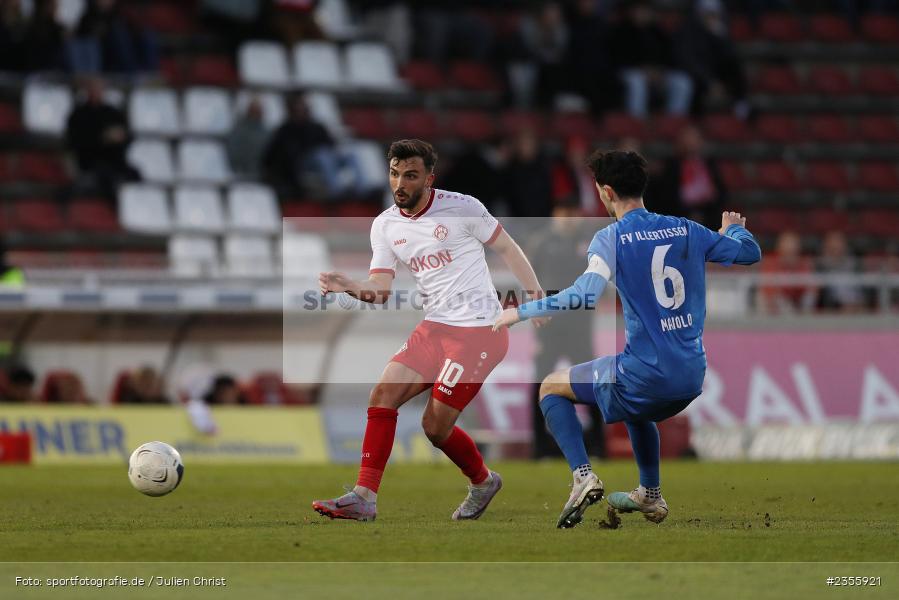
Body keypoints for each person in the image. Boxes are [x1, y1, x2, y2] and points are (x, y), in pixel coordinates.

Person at [493, 150, 761, 528]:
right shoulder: (686, 228)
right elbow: (750, 253)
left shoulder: (611, 237)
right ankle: (649, 495)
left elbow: (585, 293)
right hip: (691, 376)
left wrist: (519, 312)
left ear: (605, 192)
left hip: (647, 373)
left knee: (551, 388)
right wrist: (733, 228)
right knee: (634, 409)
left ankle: (582, 477)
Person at [312, 139, 547, 522]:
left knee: (434, 428)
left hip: (479, 332)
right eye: (394, 174)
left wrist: (534, 294)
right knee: (382, 395)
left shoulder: (463, 207)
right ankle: (363, 498)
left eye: (410, 175)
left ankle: (483, 481)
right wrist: (348, 285)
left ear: (429, 178)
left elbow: (507, 247)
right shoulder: (385, 225)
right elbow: (381, 290)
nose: (399, 183)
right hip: (435, 329)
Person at [65, 76, 140, 197]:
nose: (97, 91)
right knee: (106, 177)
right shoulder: (78, 115)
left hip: (115, 161)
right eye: (93, 88)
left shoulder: (113, 112)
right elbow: (75, 142)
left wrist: (121, 137)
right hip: (91, 162)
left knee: (135, 174)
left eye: (99, 87)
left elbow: (127, 136)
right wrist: (103, 138)